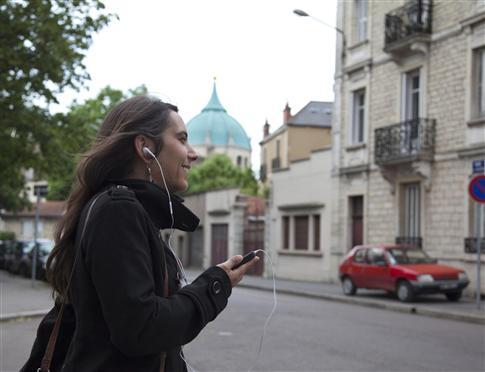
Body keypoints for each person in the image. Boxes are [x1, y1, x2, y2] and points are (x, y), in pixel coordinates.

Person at [22, 95, 259, 372]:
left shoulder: (124, 210)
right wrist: (214, 287)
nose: (192, 153)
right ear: (144, 147)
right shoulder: (118, 211)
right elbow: (141, 330)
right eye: (182, 139)